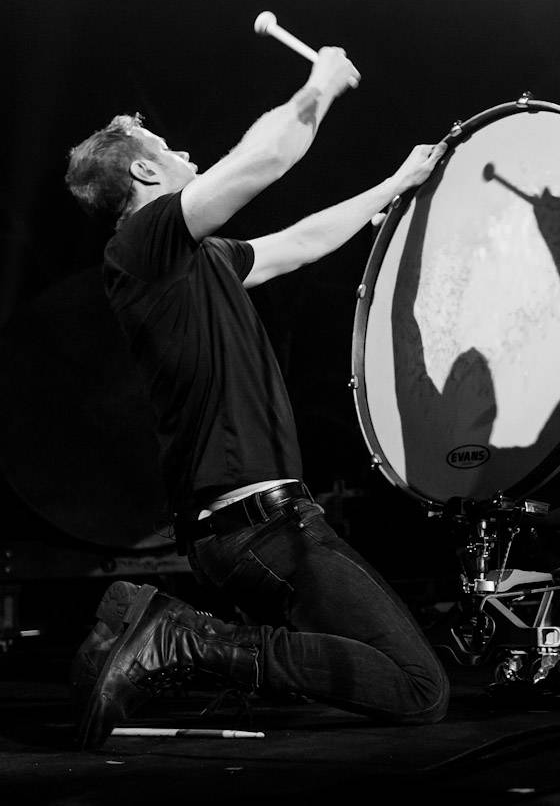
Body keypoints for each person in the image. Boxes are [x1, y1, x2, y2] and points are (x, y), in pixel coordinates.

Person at [65, 45, 450, 750]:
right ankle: (184, 638)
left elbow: (298, 243)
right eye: (166, 148)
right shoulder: (142, 244)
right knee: (418, 688)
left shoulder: (196, 258)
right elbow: (263, 159)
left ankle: (180, 636)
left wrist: (394, 185)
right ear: (144, 172)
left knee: (397, 678)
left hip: (252, 527)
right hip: (256, 529)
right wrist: (319, 87)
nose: (185, 152)